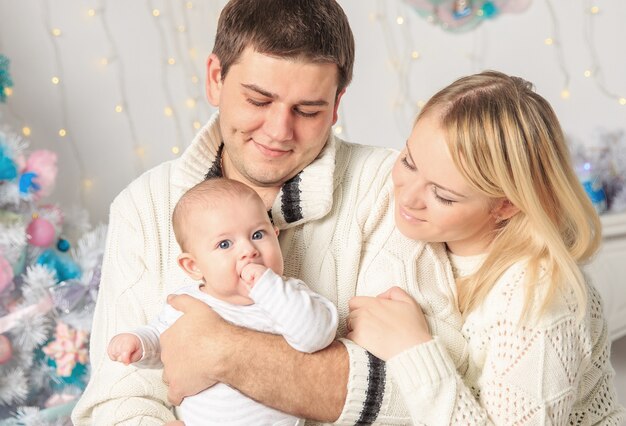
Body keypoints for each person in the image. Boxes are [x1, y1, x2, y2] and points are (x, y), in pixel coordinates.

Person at [72, 0, 466, 424]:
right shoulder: (143, 205)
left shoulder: (389, 191)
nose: (279, 131)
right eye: (258, 100)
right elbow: (116, 402)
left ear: (336, 105)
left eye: (308, 110)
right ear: (215, 79)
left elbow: (437, 394)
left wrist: (225, 351)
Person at [346, 70, 626, 425]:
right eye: (408, 162)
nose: (408, 196)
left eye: (443, 195)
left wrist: (411, 350)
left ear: (506, 205)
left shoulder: (539, 297)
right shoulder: (423, 229)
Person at [107, 178, 338, 426]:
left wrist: (268, 288)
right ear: (193, 266)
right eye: (225, 244)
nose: (249, 250)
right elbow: (165, 345)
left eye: (258, 234)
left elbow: (315, 336)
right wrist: (140, 344)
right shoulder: (188, 303)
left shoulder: (289, 296)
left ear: (276, 235)